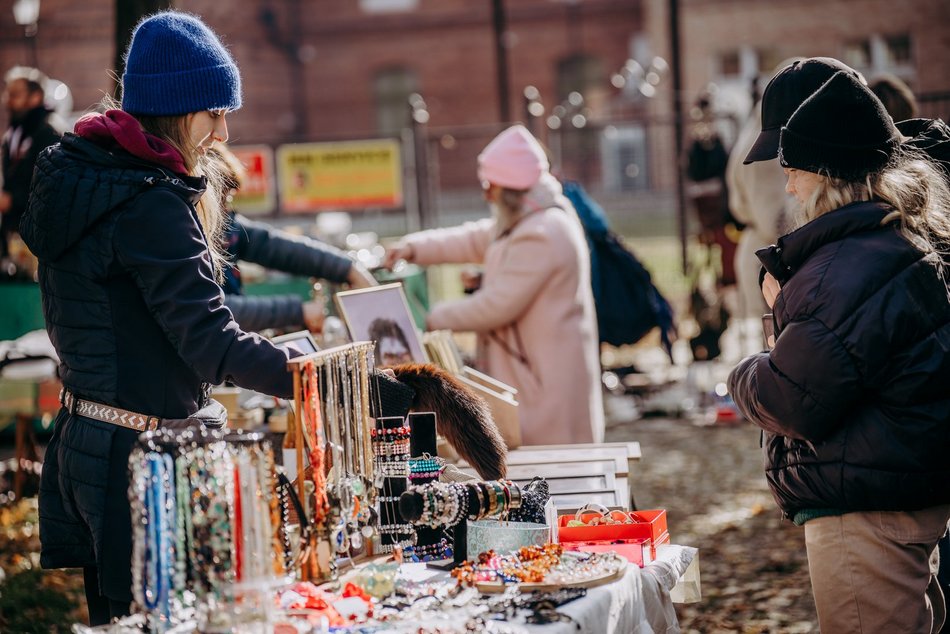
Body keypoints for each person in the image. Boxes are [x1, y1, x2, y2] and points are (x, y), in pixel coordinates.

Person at [19, 12, 300, 625]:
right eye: (214, 111)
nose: (223, 129)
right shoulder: (150, 201)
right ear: (178, 109)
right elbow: (212, 343)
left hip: (89, 446)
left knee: (115, 618)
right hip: (138, 466)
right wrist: (320, 378)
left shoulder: (88, 177)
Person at [728, 69, 950, 633]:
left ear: (822, 177)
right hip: (897, 490)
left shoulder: (844, 266)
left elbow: (793, 397)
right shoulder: (889, 242)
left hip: (865, 513)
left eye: (792, 171)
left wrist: (745, 372)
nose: (788, 188)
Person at [384, 124, 603, 445]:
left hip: (543, 380)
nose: (485, 193)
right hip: (532, 369)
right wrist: (414, 248)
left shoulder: (544, 231)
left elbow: (496, 307)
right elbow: (475, 238)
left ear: (512, 188)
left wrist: (427, 319)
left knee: (553, 465)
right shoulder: (529, 218)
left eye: (490, 185)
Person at [209, 145, 377, 333]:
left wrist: (348, 269)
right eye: (222, 199)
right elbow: (212, 309)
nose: (227, 209)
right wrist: (298, 311)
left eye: (229, 199)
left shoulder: (228, 226)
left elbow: (276, 247)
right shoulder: (190, 236)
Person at [1, 66, 60, 260]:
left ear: (35, 97)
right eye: (7, 94)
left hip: (39, 236)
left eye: (15, 95)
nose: (7, 101)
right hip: (13, 234)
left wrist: (12, 201)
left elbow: (53, 187)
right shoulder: (14, 132)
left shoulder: (50, 132)